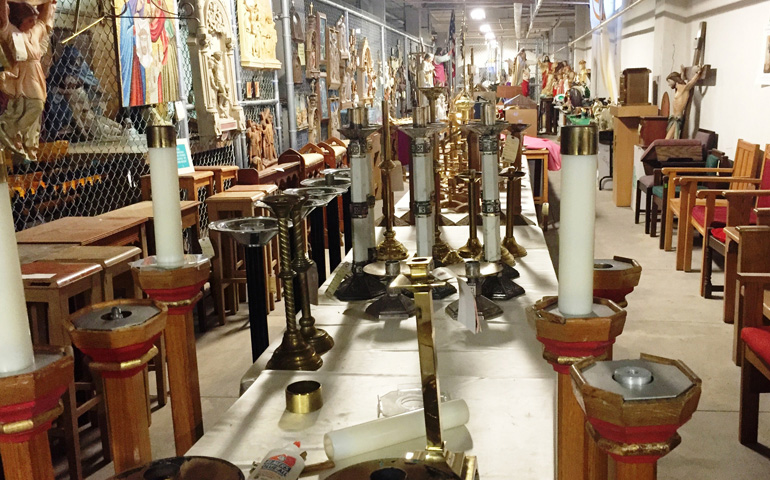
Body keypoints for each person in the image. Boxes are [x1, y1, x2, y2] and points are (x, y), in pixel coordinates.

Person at [0, 0, 56, 162]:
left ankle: (19, 140)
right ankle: (10, 130)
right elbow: (4, 19)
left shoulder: (33, 34)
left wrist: (50, 4)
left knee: (26, 108)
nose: (33, 23)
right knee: (36, 104)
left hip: (35, 75)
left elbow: (43, 22)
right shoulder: (12, 32)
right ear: (20, 21)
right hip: (23, 75)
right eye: (29, 20)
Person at [665, 64, 702, 139]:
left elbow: (692, 82)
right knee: (669, 139)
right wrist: (682, 72)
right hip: (673, 118)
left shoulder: (684, 89)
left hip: (677, 119)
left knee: (668, 140)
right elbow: (681, 80)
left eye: (669, 81)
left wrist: (698, 73)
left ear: (674, 79)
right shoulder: (678, 89)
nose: (668, 84)